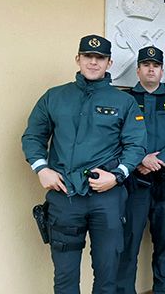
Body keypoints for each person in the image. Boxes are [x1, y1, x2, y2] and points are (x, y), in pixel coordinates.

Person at [21, 34, 146, 294]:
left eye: (100, 58)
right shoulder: (55, 97)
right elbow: (33, 136)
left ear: (109, 63)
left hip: (107, 198)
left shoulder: (124, 102)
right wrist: (41, 168)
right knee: (65, 277)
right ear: (77, 59)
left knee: (107, 274)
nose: (93, 62)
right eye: (88, 56)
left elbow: (136, 145)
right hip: (65, 196)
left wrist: (117, 176)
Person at [116, 46, 165, 294]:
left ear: (162, 71)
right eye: (146, 65)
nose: (151, 69)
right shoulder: (125, 99)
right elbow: (115, 135)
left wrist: (157, 161)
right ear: (138, 70)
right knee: (128, 244)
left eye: (156, 65)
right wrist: (140, 159)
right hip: (134, 185)